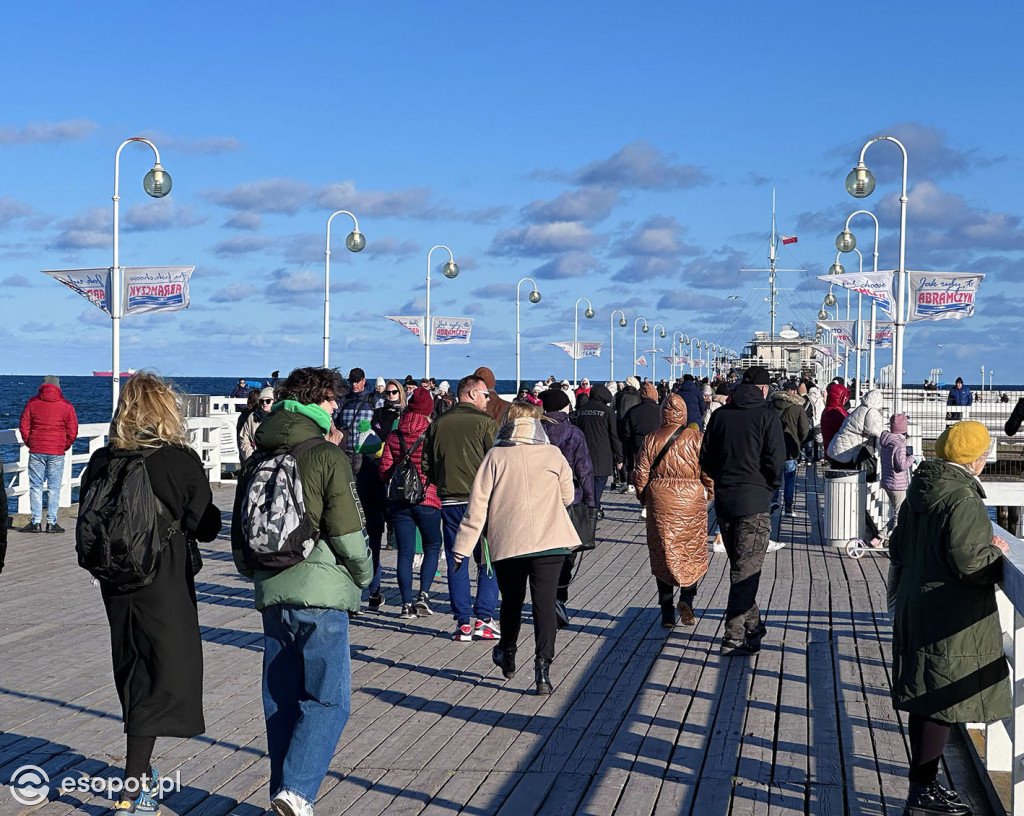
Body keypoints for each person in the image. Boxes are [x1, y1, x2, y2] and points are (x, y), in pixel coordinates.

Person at [231, 366, 372, 816]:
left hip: (272, 588)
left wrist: (255, 574)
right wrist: (367, 575)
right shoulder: (325, 455)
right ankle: (296, 794)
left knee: (281, 700)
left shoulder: (259, 453)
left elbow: (240, 529)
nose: (338, 410)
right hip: (321, 591)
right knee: (329, 699)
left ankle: (284, 792)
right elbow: (348, 534)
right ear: (319, 401)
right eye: (334, 402)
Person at [81, 372, 221, 814]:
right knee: (166, 675)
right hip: (162, 578)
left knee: (133, 668)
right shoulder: (177, 459)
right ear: (166, 409)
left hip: (116, 581)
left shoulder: (104, 459)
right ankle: (133, 787)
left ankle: (136, 778)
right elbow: (208, 525)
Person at [889, 421, 1009, 815]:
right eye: (985, 453)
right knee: (940, 698)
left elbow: (897, 545)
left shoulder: (922, 489)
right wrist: (995, 551)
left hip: (917, 602)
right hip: (947, 609)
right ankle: (922, 792)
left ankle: (922, 787)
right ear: (976, 458)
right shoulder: (963, 498)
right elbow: (970, 561)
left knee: (927, 696)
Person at [453, 414, 580, 695]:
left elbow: (477, 507)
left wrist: (461, 548)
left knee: (512, 600)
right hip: (551, 541)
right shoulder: (553, 454)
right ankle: (543, 669)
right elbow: (568, 497)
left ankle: (507, 653)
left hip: (509, 542)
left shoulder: (495, 456)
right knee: (544, 604)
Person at [699, 366, 785, 657]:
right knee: (745, 574)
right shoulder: (767, 416)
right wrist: (768, 486)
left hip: (725, 502)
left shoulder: (721, 415)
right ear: (764, 388)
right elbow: (776, 459)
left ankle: (755, 628)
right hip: (754, 504)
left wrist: (723, 479)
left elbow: (706, 458)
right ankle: (733, 637)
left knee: (740, 570)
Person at [421, 374, 500, 641]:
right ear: (472, 394)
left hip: (450, 500)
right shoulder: (486, 423)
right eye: (485, 394)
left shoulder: (439, 423)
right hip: (480, 500)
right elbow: (496, 460)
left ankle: (463, 622)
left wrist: (442, 482)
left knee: (457, 559)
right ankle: (485, 618)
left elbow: (426, 463)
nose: (488, 399)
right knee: (487, 559)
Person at [634, 394, 714, 628]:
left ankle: (667, 612)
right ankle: (687, 598)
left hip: (660, 499)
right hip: (691, 500)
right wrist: (709, 491)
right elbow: (708, 471)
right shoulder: (697, 438)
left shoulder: (651, 439)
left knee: (663, 552)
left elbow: (640, 474)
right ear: (684, 414)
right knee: (691, 550)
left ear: (663, 414)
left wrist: (644, 497)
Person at [379, 387, 443, 619]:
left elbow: (385, 468)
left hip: (399, 500)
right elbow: (438, 466)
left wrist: (394, 479)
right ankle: (423, 596)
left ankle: (406, 605)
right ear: (428, 410)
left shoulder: (395, 435)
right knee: (432, 546)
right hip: (428, 497)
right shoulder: (433, 433)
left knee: (405, 553)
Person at [539, 390, 595, 627]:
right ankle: (559, 598)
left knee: (544, 551)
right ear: (564, 408)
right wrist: (591, 502)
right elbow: (585, 470)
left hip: (541, 500)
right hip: (571, 498)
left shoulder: (537, 432)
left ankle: (546, 598)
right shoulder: (573, 433)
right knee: (567, 553)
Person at [337, 367, 387, 610]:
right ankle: (363, 589)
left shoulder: (371, 401)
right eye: (352, 382)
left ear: (364, 381)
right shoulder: (347, 401)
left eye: (357, 382)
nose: (355, 385)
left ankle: (373, 589)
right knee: (358, 533)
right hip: (351, 469)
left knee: (371, 533)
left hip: (367, 468)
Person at [19, 375, 78, 533]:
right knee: (54, 487)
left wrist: (30, 442)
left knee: (35, 486)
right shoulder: (66, 406)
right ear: (58, 388)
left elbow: (24, 426)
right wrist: (63, 446)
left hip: (37, 449)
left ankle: (36, 522)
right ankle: (51, 522)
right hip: (56, 451)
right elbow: (73, 431)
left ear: (43, 386)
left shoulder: (32, 403)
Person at [573, 383, 622, 518]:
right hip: (602, 455)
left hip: (583, 454)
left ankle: (588, 508)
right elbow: (614, 435)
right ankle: (593, 510)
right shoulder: (607, 412)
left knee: (585, 482)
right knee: (599, 483)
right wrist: (619, 456)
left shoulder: (581, 411)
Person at [769, 381, 810, 516]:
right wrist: (798, 441)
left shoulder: (770, 405)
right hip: (791, 448)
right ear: (793, 391)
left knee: (774, 475)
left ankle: (773, 500)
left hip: (773, 447)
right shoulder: (798, 408)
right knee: (790, 477)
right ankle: (788, 507)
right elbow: (804, 429)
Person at [622, 383, 663, 518]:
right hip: (658, 448)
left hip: (638, 447)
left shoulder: (633, 411)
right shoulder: (660, 411)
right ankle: (656, 502)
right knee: (656, 476)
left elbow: (626, 434)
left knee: (642, 476)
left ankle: (645, 504)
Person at [827, 388, 885, 473]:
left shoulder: (861, 408)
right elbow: (874, 430)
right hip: (846, 451)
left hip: (839, 447)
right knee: (846, 478)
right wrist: (887, 432)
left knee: (838, 478)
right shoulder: (871, 411)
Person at [879, 414, 912, 538]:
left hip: (887, 481)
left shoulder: (886, 441)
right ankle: (895, 539)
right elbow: (901, 465)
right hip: (898, 484)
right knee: (900, 514)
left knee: (898, 512)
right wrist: (912, 458)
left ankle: (879, 538)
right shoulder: (900, 444)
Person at [238, 387, 275, 463]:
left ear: (274, 401)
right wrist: (250, 457)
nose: (264, 403)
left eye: (268, 401)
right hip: (254, 459)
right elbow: (244, 438)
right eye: (262, 401)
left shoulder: (279, 416)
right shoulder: (252, 416)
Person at [371, 378, 406, 444]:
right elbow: (376, 427)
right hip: (383, 447)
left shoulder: (406, 412)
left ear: (400, 393)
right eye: (388, 392)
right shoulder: (379, 412)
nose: (391, 394)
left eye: (394, 392)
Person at [820, 380, 849, 457]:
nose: (845, 399)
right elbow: (844, 427)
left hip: (837, 449)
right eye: (843, 397)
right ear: (838, 397)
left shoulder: (837, 409)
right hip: (836, 451)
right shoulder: (832, 412)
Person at [804, 385, 825, 462]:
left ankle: (808, 458)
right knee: (819, 440)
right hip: (820, 422)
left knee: (808, 440)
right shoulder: (821, 399)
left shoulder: (807, 398)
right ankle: (819, 456)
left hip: (810, 421)